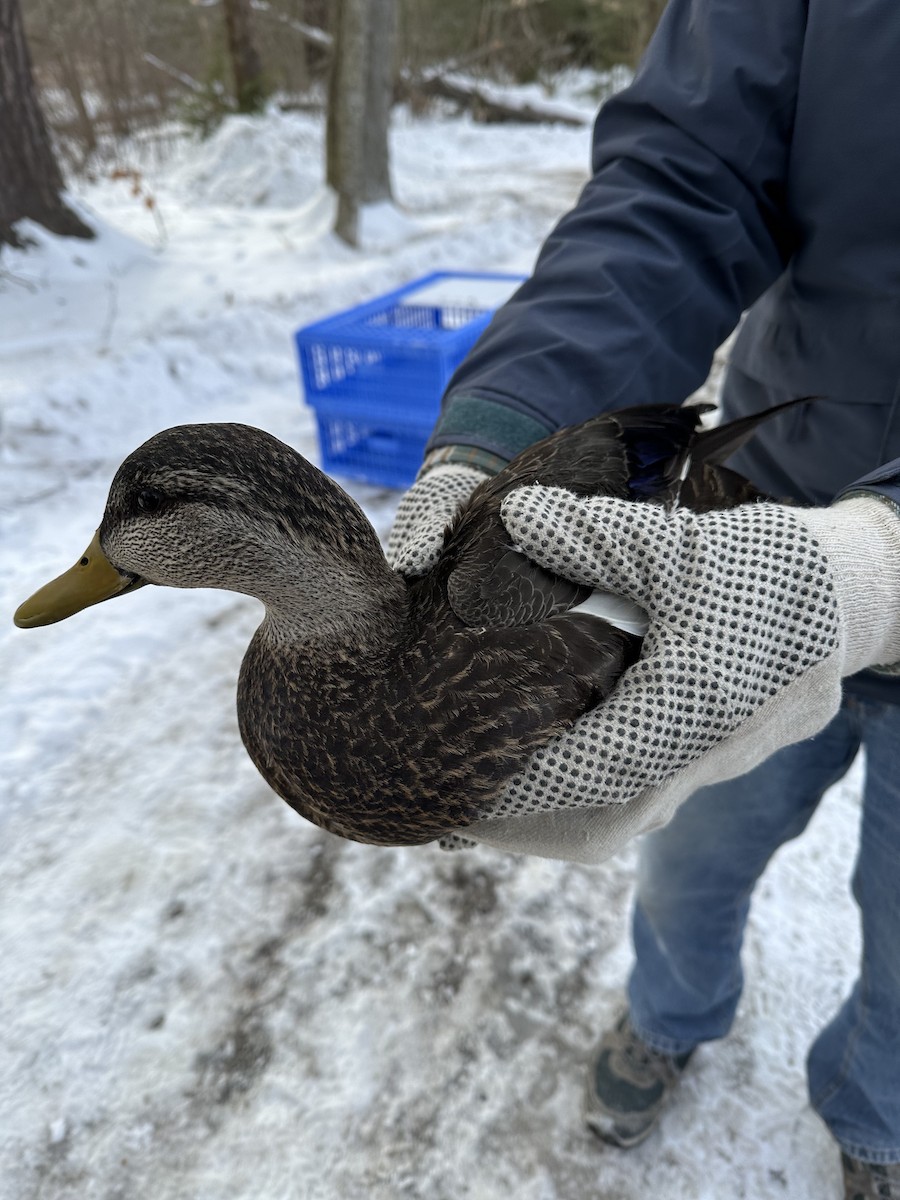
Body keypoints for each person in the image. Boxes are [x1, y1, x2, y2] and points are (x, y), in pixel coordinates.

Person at [386, 0, 900, 1194]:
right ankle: (672, 1013)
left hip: (837, 571)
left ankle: (878, 1109)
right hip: (759, 521)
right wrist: (507, 435)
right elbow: (684, 175)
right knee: (688, 856)